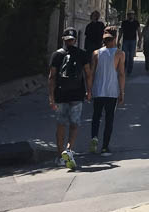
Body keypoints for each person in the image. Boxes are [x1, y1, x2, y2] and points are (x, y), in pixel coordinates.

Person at [48, 27, 91, 170]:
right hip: (77, 95)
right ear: (76, 40)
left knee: (61, 124)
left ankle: (60, 156)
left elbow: (52, 77)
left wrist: (51, 97)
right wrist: (89, 91)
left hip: (60, 95)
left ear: (64, 40)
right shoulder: (82, 54)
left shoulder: (56, 55)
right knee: (74, 124)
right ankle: (69, 149)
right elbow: (88, 74)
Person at [89, 31, 125, 155]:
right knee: (109, 119)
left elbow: (91, 73)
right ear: (114, 38)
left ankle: (94, 137)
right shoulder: (120, 54)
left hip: (98, 90)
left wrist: (89, 90)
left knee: (96, 117)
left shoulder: (96, 53)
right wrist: (122, 92)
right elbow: (121, 74)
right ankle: (105, 147)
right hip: (112, 91)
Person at [119, 11, 140, 76]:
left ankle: (129, 70)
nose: (131, 16)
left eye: (132, 15)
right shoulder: (124, 22)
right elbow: (121, 31)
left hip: (133, 41)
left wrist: (140, 40)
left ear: (134, 15)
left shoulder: (136, 23)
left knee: (131, 56)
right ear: (127, 16)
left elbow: (139, 31)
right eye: (129, 15)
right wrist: (118, 40)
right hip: (125, 40)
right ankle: (125, 68)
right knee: (125, 56)